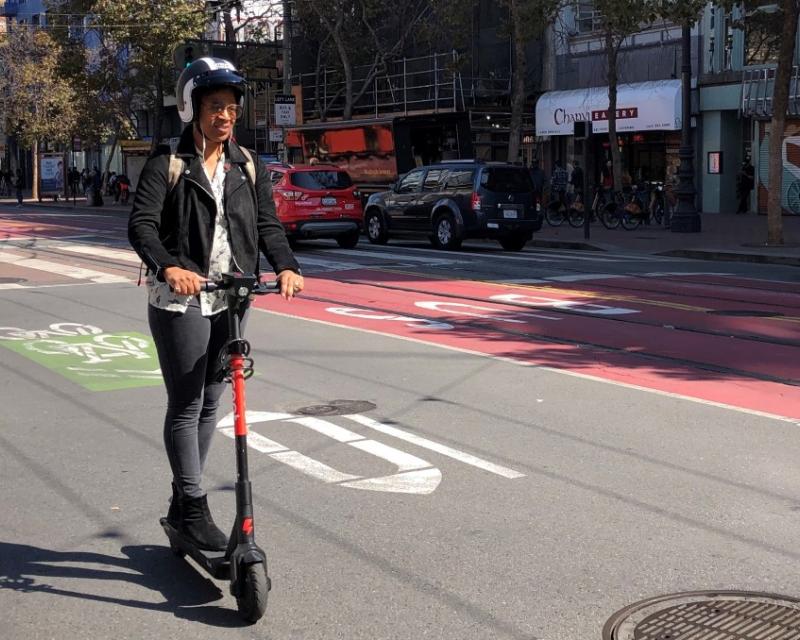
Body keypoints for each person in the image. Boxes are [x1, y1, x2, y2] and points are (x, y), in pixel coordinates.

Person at [128, 56, 304, 552]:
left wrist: (285, 266)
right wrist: (169, 267)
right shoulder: (168, 164)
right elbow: (141, 226)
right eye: (214, 107)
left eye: (230, 107)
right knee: (186, 404)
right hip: (179, 298)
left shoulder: (248, 165)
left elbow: (268, 225)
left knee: (211, 401)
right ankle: (192, 504)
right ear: (192, 109)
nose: (224, 116)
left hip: (233, 295)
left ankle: (183, 495)